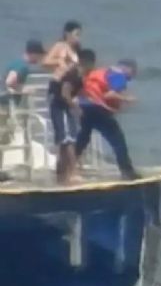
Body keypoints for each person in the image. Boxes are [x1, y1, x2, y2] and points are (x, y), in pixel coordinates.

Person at [75, 57, 140, 180]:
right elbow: (109, 95)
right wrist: (127, 99)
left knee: (83, 139)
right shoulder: (120, 76)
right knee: (118, 140)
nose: (133, 75)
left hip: (85, 106)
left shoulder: (103, 72)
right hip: (98, 109)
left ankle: (66, 167)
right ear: (126, 68)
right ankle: (127, 172)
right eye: (133, 71)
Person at [49, 45, 90, 184]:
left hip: (63, 106)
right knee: (68, 140)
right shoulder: (74, 75)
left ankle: (61, 175)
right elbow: (65, 93)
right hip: (60, 107)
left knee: (64, 141)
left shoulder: (79, 76)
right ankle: (73, 172)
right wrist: (76, 108)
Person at [3, 39, 45, 106]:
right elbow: (9, 81)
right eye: (39, 55)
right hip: (5, 105)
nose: (40, 58)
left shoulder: (17, 63)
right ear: (34, 54)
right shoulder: (22, 65)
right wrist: (24, 89)